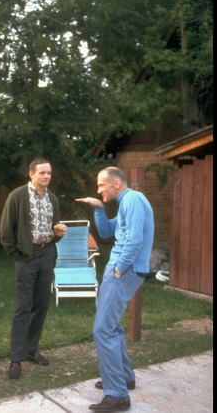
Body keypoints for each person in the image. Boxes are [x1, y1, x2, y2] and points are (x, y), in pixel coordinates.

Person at [76, 166, 154, 412]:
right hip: (123, 269)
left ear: (117, 183)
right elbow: (108, 231)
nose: (99, 189)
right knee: (113, 326)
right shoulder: (126, 203)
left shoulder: (132, 199)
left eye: (101, 185)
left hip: (124, 270)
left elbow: (134, 239)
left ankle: (117, 395)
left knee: (102, 330)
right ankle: (125, 378)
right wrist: (98, 208)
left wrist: (119, 267)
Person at [0, 158, 67, 379]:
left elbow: (53, 227)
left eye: (49, 173)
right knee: (23, 307)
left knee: (41, 304)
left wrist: (57, 235)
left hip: (47, 253)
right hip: (26, 257)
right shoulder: (17, 196)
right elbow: (6, 231)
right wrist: (18, 254)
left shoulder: (53, 199)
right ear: (31, 174)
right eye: (42, 173)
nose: (46, 176)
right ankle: (15, 359)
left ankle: (31, 349)